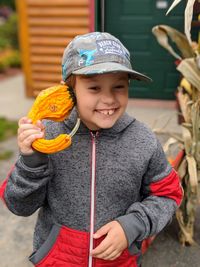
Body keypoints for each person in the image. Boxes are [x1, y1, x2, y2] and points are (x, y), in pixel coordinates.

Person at [0, 32, 183, 267]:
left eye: (119, 86)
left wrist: (132, 226)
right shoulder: (47, 134)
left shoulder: (143, 140)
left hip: (119, 261)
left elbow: (168, 194)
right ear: (70, 90)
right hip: (57, 261)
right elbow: (18, 205)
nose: (108, 99)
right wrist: (32, 161)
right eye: (94, 88)